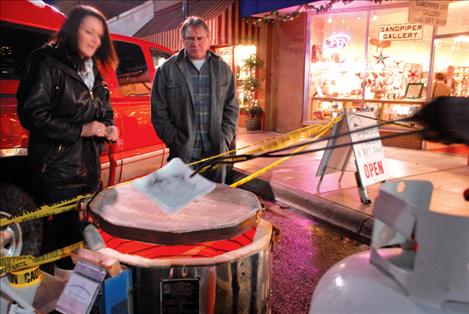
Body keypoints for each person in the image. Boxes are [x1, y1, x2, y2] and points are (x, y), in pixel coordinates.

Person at [17, 5, 118, 270]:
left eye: (99, 35)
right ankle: (51, 300)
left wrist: (109, 128)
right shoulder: (46, 60)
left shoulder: (94, 69)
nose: (95, 39)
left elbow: (105, 110)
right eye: (89, 31)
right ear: (73, 30)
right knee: (56, 244)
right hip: (57, 170)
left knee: (78, 238)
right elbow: (33, 114)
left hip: (88, 170)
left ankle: (74, 299)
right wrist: (81, 130)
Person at [151, 16, 238, 183]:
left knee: (214, 202)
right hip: (183, 154)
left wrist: (224, 138)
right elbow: (158, 111)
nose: (195, 43)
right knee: (184, 204)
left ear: (209, 39)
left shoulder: (222, 68)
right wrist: (175, 140)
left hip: (215, 152)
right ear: (183, 40)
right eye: (190, 38)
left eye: (200, 38)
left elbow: (232, 107)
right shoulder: (167, 70)